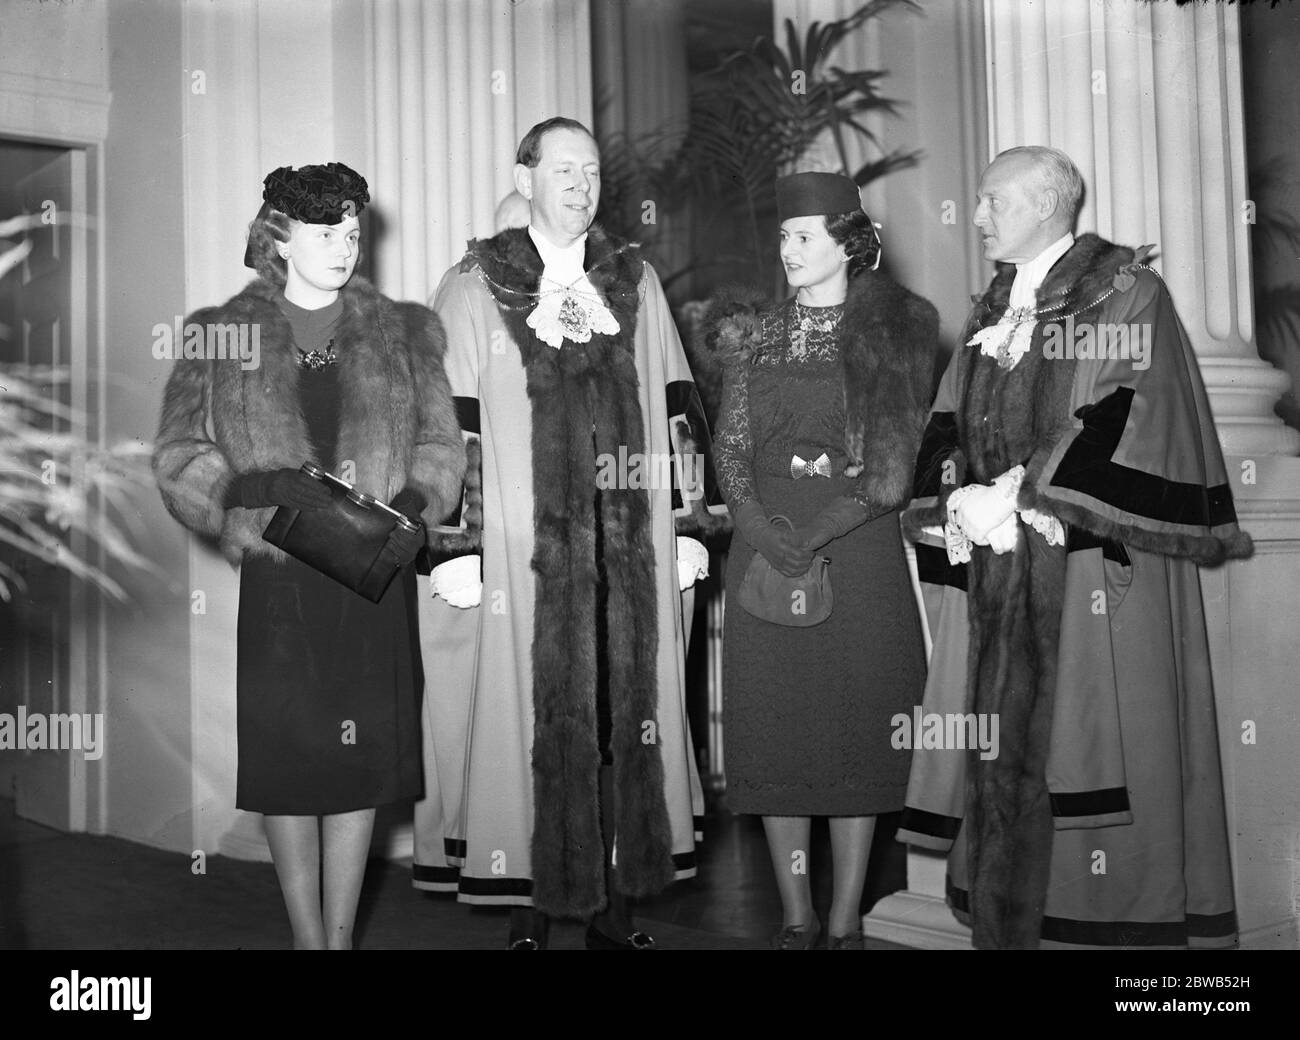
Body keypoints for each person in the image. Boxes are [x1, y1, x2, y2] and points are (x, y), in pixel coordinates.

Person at [899, 145, 1251, 949]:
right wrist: (959, 495)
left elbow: (1137, 409)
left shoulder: (1128, 294)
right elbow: (947, 419)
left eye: (992, 200)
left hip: (1089, 567)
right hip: (999, 569)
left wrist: (1024, 495)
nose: (977, 215)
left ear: (1049, 203)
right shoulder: (994, 309)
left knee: (1091, 751)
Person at [415, 117, 723, 949]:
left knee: (625, 728)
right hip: (523, 556)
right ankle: (529, 913)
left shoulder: (634, 282)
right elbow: (452, 427)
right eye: (563, 169)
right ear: (526, 176)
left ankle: (615, 911)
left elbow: (674, 408)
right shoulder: (475, 284)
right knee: (536, 731)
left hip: (625, 548)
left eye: (590, 170)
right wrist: (459, 543)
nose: (581, 184)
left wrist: (688, 523)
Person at [152, 163, 465, 949]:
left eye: (353, 232)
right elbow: (177, 454)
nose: (344, 246)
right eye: (327, 232)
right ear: (278, 238)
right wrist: (244, 489)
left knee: (358, 774)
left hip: (369, 578)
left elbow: (439, 444)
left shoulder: (405, 331)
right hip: (281, 585)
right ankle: (306, 942)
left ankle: (339, 941)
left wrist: (417, 509)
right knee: (290, 770)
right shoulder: (218, 332)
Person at [706, 172, 936, 950]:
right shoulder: (755, 335)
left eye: (805, 236)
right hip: (765, 551)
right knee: (777, 732)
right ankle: (798, 915)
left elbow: (894, 466)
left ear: (848, 241)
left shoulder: (898, 328)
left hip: (859, 550)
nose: (789, 250)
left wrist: (820, 529)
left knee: (855, 729)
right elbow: (730, 449)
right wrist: (762, 531)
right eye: (782, 236)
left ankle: (845, 921)